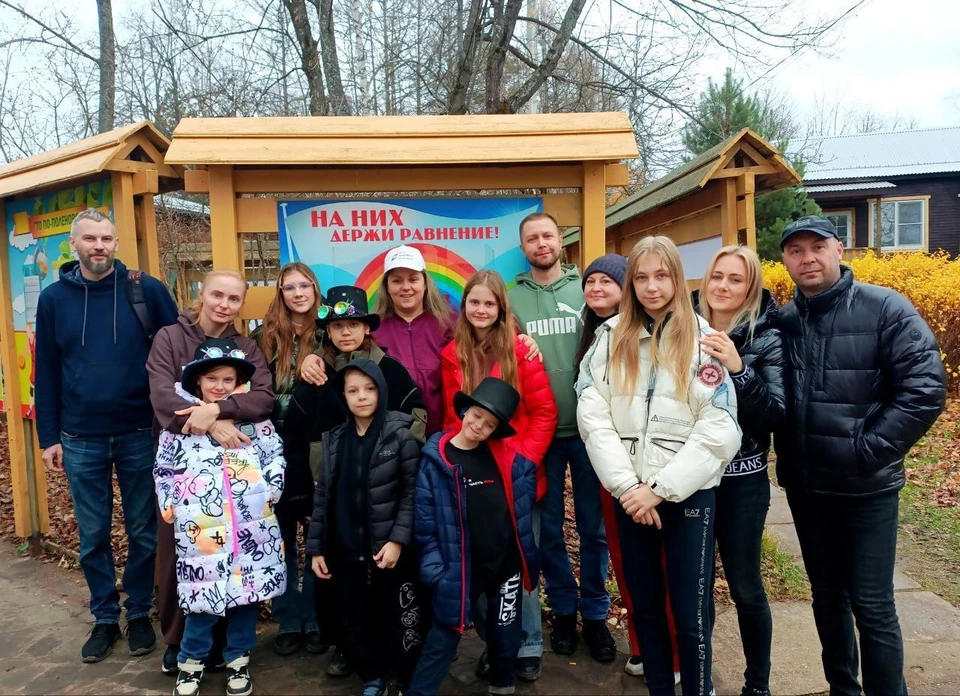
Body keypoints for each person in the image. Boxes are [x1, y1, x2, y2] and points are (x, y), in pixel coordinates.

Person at [775, 216, 947, 696]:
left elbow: (925, 389)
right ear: (785, 260)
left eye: (817, 247)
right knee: (827, 599)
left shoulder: (885, 308)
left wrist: (867, 451)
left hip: (867, 489)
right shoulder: (784, 322)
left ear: (839, 250)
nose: (807, 258)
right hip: (807, 488)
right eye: (795, 250)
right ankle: (843, 689)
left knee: (872, 604)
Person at [576, 235, 741, 696]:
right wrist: (629, 487)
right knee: (645, 608)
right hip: (631, 496)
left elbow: (720, 428)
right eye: (642, 277)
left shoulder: (703, 341)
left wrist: (660, 489)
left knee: (689, 613)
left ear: (677, 278)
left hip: (687, 496)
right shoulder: (609, 339)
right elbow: (593, 415)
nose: (652, 287)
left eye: (662, 276)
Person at [35, 208, 179, 663]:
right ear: (74, 244)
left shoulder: (145, 290)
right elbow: (47, 370)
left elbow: (177, 353)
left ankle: (138, 612)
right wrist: (48, 437)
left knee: (142, 530)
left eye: (106, 238)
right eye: (90, 239)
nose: (99, 246)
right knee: (93, 533)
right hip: (80, 436)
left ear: (116, 243)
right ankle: (103, 616)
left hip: (139, 431)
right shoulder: (53, 299)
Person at [284, 284, 427, 677]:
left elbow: (417, 417)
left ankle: (393, 649)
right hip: (335, 496)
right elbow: (294, 432)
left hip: (383, 498)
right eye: (336, 326)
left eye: (353, 324)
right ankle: (346, 646)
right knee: (339, 580)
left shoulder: (389, 370)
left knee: (385, 579)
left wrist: (392, 455)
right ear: (327, 332)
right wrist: (303, 491)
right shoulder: (317, 375)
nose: (345, 332)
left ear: (367, 328)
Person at [147, 268, 276, 676]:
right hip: (184, 464)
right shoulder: (171, 338)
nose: (224, 304)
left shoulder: (246, 348)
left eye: (234, 298)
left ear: (241, 304)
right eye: (217, 294)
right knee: (181, 551)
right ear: (201, 293)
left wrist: (219, 411)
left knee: (232, 552)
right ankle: (179, 640)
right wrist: (209, 424)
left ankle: (222, 642)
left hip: (236, 471)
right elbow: (162, 393)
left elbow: (263, 396)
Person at [508, 212, 613, 672]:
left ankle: (596, 615)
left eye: (547, 235)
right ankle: (564, 613)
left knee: (594, 529)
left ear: (560, 241)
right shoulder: (511, 299)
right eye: (532, 238)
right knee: (548, 531)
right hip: (540, 434)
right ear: (523, 248)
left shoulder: (586, 290)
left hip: (591, 433)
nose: (541, 244)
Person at [440, 269, 557, 680]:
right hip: (472, 472)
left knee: (520, 563)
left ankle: (527, 644)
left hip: (516, 473)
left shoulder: (521, 351)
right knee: (480, 565)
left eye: (489, 303)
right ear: (464, 306)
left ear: (501, 309)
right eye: (475, 302)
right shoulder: (452, 354)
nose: (481, 310)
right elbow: (449, 416)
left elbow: (544, 412)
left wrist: (524, 460)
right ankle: (496, 643)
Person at [574, 253, 681, 685]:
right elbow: (594, 408)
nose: (597, 288)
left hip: (662, 474)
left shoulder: (669, 332)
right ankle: (643, 645)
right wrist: (622, 478)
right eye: (591, 281)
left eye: (608, 281)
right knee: (628, 563)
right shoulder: (595, 334)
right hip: (614, 468)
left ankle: (675, 652)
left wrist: (651, 481)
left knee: (668, 567)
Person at [407, 377, 540, 696]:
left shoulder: (507, 460)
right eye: (477, 416)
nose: (479, 426)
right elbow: (424, 525)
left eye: (490, 424)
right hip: (459, 568)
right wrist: (436, 571)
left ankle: (502, 686)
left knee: (505, 634)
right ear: (465, 411)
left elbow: (521, 505)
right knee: (444, 634)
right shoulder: (436, 460)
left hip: (504, 565)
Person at [306, 360, 425, 696]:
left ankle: (403, 677)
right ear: (343, 396)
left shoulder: (401, 435)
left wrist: (398, 540)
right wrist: (316, 548)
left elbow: (411, 493)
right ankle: (372, 676)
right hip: (346, 549)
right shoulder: (334, 440)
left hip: (388, 549)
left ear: (381, 391)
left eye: (369, 389)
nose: (362, 397)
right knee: (356, 617)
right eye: (353, 390)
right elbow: (323, 497)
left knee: (398, 616)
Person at [697, 245, 785, 696]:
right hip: (692, 480)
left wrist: (738, 368)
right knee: (696, 588)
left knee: (746, 587)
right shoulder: (683, 326)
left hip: (742, 482)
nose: (723, 286)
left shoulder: (767, 337)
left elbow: (775, 415)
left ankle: (758, 684)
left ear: (750, 287)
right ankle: (699, 678)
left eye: (735, 279)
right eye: (717, 276)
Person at [250, 262, 328, 657]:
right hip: (270, 448)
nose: (298, 293)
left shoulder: (330, 333)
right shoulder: (262, 337)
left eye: (304, 286)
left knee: (316, 536)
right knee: (279, 538)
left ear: (315, 289)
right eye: (289, 287)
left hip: (315, 447)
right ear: (280, 293)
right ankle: (288, 618)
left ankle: (314, 617)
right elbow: (251, 392)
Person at [373, 245, 455, 436]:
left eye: (413, 279)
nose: (406, 287)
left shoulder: (451, 325)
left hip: (444, 434)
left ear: (425, 283)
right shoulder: (374, 331)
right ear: (387, 287)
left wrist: (521, 337)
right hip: (394, 437)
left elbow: (489, 338)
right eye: (397, 280)